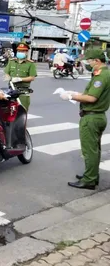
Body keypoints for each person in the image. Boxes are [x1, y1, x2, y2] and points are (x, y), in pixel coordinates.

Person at [60, 49, 110, 190]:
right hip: (98, 116)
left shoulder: (101, 76)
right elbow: (90, 94)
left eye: (89, 61)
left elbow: (92, 98)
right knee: (95, 149)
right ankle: (92, 175)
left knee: (89, 150)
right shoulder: (105, 74)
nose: (88, 63)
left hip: (92, 117)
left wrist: (71, 97)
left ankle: (89, 180)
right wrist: (76, 93)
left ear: (97, 61)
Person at [4, 42, 37, 111]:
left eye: (22, 51)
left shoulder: (30, 64)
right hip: (11, 91)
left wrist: (20, 79)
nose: (20, 52)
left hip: (23, 92)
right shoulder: (11, 61)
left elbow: (32, 77)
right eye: (19, 51)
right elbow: (6, 72)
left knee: (22, 112)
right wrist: (8, 77)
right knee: (9, 111)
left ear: (26, 52)